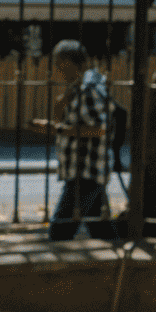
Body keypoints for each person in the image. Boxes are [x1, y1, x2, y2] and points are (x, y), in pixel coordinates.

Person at [32, 40, 117, 241]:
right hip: (88, 169)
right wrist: (62, 102)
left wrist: (58, 129)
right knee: (101, 230)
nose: (57, 68)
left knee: (59, 231)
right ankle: (120, 268)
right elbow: (61, 116)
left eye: (59, 63)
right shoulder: (78, 88)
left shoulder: (89, 90)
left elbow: (100, 129)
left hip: (85, 171)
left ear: (71, 63)